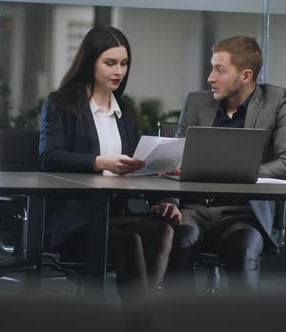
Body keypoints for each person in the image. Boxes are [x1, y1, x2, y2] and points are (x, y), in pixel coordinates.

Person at [152, 36, 286, 292]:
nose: (210, 77)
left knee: (242, 252)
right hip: (194, 208)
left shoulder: (277, 101)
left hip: (244, 214)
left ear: (245, 75)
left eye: (219, 70)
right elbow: (175, 159)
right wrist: (169, 201)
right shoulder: (197, 102)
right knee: (178, 242)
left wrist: (237, 172)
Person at [39, 26, 174, 303]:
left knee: (162, 230)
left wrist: (163, 191)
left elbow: (138, 165)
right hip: (75, 219)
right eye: (110, 63)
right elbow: (50, 156)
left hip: (117, 212)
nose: (119, 71)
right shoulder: (60, 104)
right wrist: (101, 162)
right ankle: (141, 320)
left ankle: (140, 316)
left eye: (124, 64)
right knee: (130, 242)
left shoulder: (126, 113)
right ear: (90, 63)